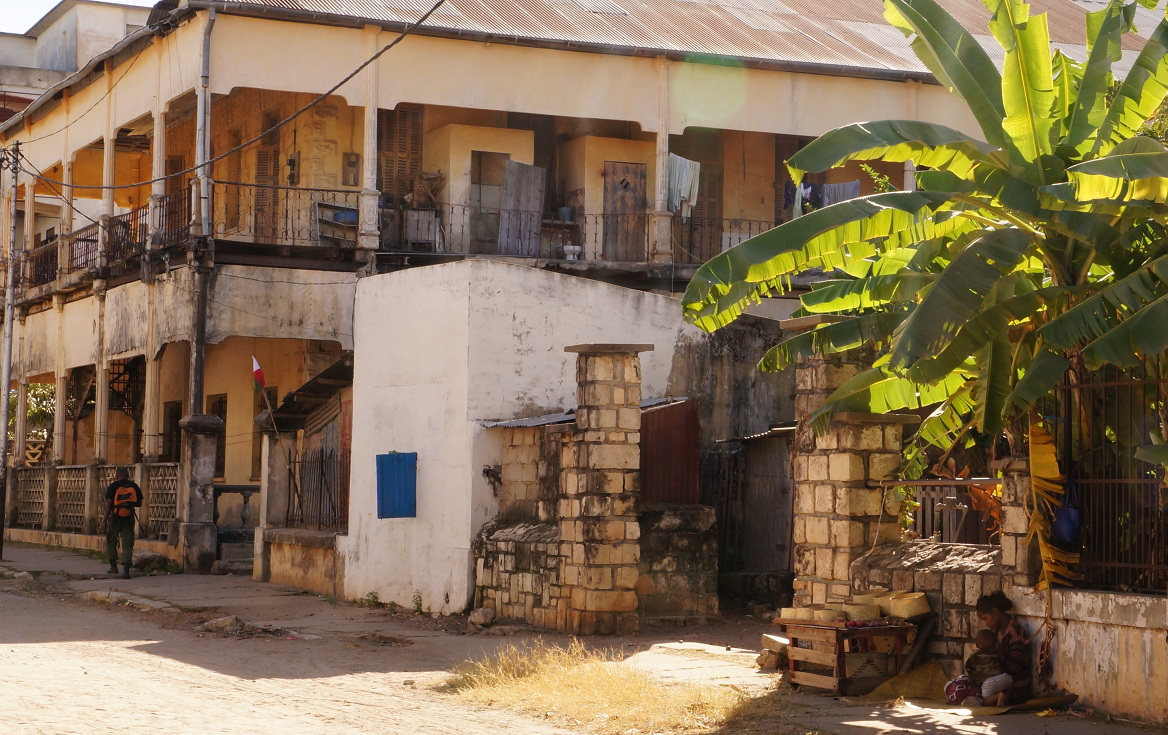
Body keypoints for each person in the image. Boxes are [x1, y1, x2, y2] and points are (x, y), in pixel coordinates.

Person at [975, 591, 1032, 705]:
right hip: (997, 680)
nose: (985, 623)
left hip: (1014, 685)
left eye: (985, 618)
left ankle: (997, 698)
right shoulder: (996, 633)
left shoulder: (1015, 631)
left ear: (995, 611)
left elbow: (1015, 665)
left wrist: (991, 671)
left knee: (983, 696)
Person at [104, 468, 142, 579]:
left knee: (111, 540)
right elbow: (139, 503)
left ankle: (113, 567)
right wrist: (128, 504)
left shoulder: (113, 486)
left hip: (115, 516)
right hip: (129, 517)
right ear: (128, 475)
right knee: (128, 542)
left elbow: (109, 503)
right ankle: (126, 569)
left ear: (117, 476)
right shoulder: (134, 486)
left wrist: (104, 521)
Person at [963, 629, 1014, 706]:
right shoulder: (998, 653)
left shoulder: (974, 655)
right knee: (1010, 683)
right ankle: (1006, 698)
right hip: (1004, 677)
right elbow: (1003, 664)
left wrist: (972, 681)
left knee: (985, 701)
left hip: (988, 682)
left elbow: (968, 668)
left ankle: (999, 696)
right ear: (995, 643)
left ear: (977, 645)